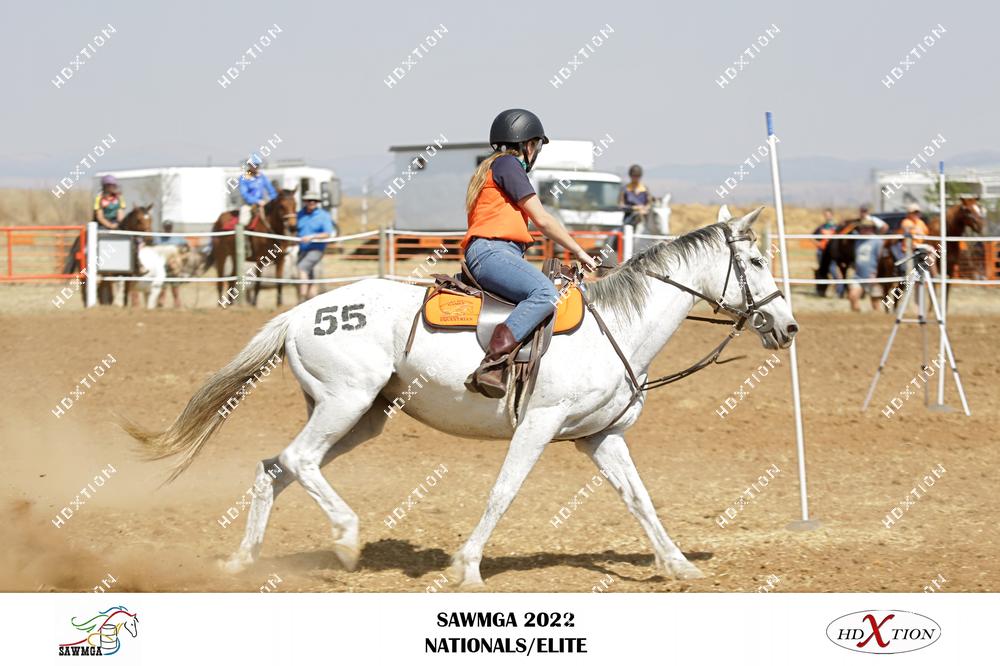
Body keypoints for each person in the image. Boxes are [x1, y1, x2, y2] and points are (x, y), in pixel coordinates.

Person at [462, 108, 598, 399]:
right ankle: (492, 364)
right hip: (492, 252)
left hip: (494, 252)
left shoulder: (492, 166)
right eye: (536, 145)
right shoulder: (509, 165)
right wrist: (579, 251)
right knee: (545, 293)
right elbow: (543, 220)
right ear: (529, 145)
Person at [295, 190, 335, 302]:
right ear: (305, 201)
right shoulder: (299, 214)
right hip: (302, 249)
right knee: (309, 275)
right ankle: (312, 301)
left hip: (316, 249)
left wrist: (312, 237)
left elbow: (327, 233)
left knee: (302, 268)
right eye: (309, 200)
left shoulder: (324, 216)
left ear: (317, 202)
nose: (311, 202)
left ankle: (301, 300)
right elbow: (295, 230)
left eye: (314, 200)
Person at [848, 217, 885, 312]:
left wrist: (876, 274)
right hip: (858, 275)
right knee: (852, 296)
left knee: (875, 303)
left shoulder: (878, 241)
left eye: (865, 227)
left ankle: (877, 318)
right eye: (862, 227)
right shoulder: (858, 241)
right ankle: (857, 316)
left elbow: (881, 259)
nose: (862, 229)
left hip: (873, 276)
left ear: (871, 228)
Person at [892, 203, 936, 276]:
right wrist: (916, 230)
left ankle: (930, 273)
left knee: (932, 251)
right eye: (914, 213)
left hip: (919, 247)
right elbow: (908, 229)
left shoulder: (920, 222)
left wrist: (918, 232)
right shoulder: (906, 221)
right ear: (909, 214)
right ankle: (934, 274)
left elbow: (925, 233)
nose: (916, 214)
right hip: (909, 248)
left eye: (917, 213)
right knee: (931, 250)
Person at [237, 154, 277, 228]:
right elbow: (244, 194)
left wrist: (270, 200)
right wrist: (257, 201)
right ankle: (241, 234)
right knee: (243, 220)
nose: (255, 167)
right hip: (249, 205)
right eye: (253, 165)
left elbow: (271, 191)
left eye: (257, 165)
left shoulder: (262, 176)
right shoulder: (244, 177)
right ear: (249, 165)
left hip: (263, 204)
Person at [812, 208, 839, 295]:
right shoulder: (821, 227)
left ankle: (839, 290)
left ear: (832, 215)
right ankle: (822, 291)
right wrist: (818, 244)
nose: (827, 217)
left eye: (828, 215)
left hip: (832, 253)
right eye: (825, 215)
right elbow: (813, 237)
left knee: (833, 270)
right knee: (823, 272)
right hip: (822, 252)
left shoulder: (836, 227)